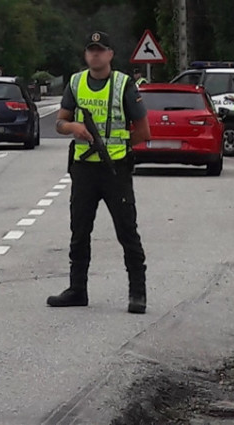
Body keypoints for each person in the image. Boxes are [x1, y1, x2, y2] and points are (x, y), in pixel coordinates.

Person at [49, 31, 151, 314]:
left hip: (115, 170)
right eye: (91, 50)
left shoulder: (124, 85)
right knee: (79, 231)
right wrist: (73, 128)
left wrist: (120, 147)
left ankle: (138, 294)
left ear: (110, 54)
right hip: (83, 169)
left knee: (127, 231)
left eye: (100, 50)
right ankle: (77, 290)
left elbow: (144, 131)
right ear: (86, 55)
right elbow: (60, 123)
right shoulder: (76, 82)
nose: (95, 54)